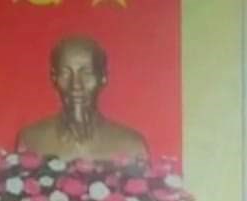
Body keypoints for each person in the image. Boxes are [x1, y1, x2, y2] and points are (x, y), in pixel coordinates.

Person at [16, 36, 149, 163]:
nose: (76, 85)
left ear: (103, 77)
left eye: (86, 73)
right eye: (66, 73)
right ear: (54, 78)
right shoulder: (31, 140)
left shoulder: (131, 145)